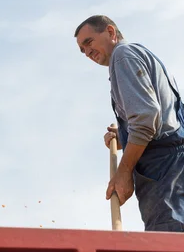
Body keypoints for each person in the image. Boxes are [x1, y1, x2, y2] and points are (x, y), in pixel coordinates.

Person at [74, 15, 184, 232]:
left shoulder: (122, 56)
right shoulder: (140, 55)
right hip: (175, 162)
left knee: (168, 238)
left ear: (111, 32)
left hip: (164, 169)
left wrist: (123, 172)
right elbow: (158, 118)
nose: (87, 52)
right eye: (82, 50)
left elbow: (145, 119)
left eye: (89, 43)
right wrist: (124, 136)